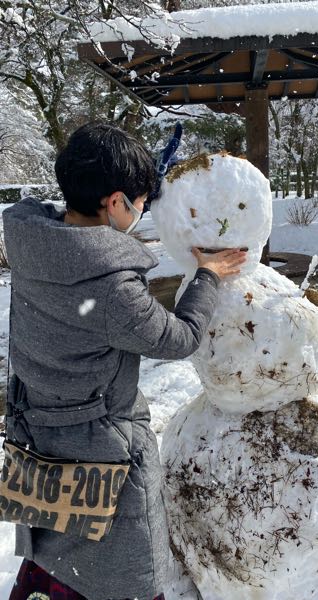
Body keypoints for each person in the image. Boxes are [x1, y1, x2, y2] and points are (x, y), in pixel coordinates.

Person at [3, 122, 247, 600]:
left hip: (37, 436)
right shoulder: (110, 285)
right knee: (115, 569)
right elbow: (179, 338)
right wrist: (207, 276)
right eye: (137, 202)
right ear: (115, 203)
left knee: (54, 548)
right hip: (98, 454)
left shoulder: (33, 247)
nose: (140, 212)